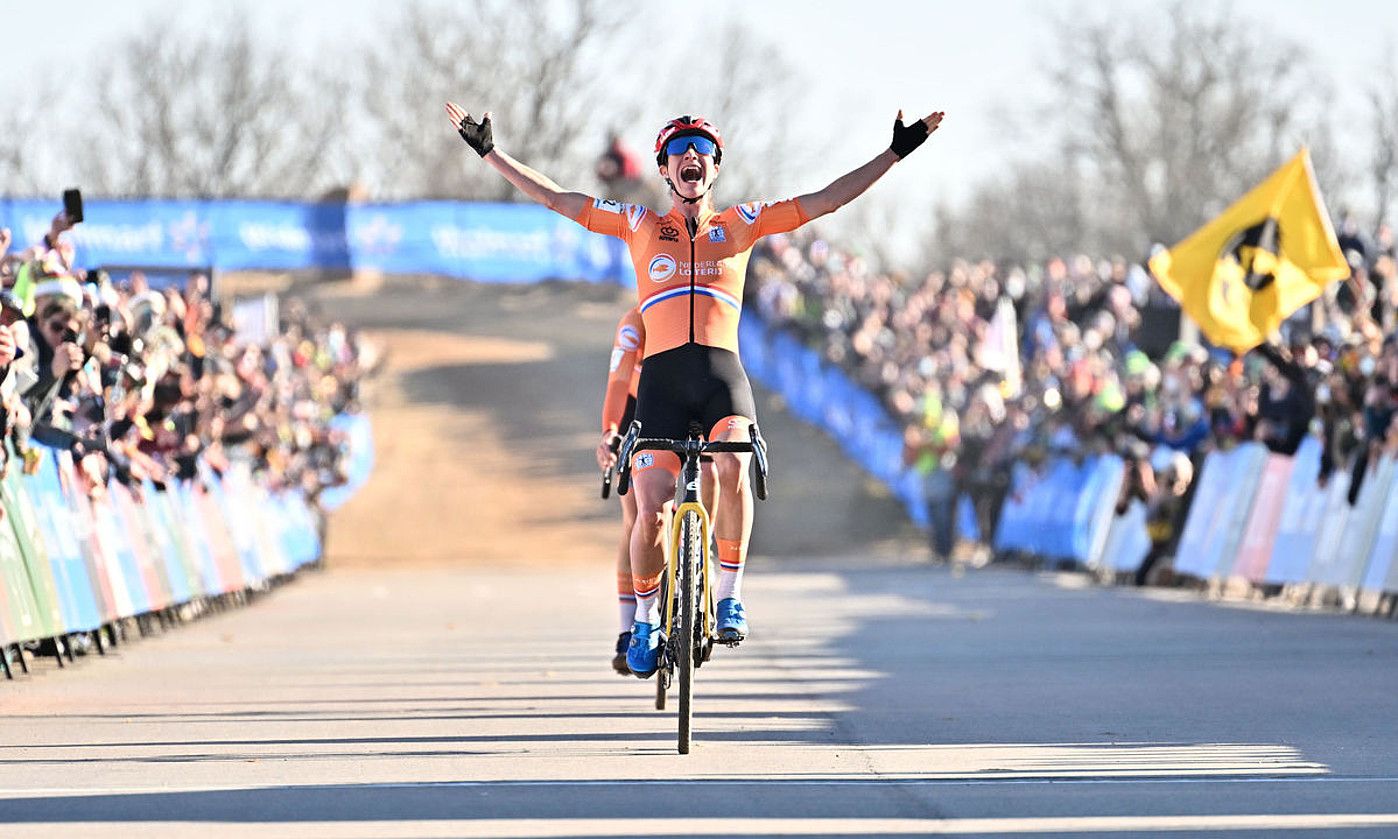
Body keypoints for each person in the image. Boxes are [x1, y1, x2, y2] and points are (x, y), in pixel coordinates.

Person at [445, 102, 944, 676]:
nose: (691, 159)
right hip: (661, 382)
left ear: (715, 168)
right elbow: (560, 199)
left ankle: (729, 593)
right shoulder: (637, 224)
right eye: (680, 152)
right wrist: (490, 153)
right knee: (651, 512)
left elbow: (825, 200)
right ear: (664, 168)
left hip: (719, 378)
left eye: (702, 152)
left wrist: (895, 153)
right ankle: (647, 620)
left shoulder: (742, 223)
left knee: (730, 466)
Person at [594, 304, 718, 674]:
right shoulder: (636, 321)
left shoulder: (695, 313)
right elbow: (618, 381)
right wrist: (611, 430)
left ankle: (701, 549)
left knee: (710, 473)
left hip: (692, 400)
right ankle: (626, 627)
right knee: (635, 515)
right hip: (640, 406)